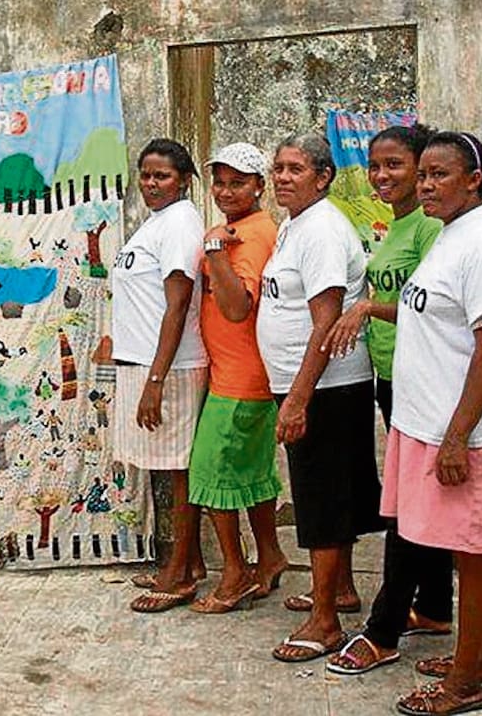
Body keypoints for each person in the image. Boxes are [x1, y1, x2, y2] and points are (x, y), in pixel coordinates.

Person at [377, 133, 482, 715]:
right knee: (465, 548)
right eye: (425, 174)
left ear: (474, 178)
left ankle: (465, 684)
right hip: (430, 423)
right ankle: (480, 655)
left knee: (477, 550)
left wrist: (459, 435)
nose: (426, 185)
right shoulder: (451, 234)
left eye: (441, 175)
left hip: (469, 433)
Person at [321, 126, 454, 675]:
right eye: (375, 166)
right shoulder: (397, 226)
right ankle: (435, 607)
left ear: (422, 169)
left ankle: (384, 628)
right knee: (417, 497)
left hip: (421, 382)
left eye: (395, 165)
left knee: (405, 505)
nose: (382, 176)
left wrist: (368, 309)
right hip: (391, 377)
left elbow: (433, 309)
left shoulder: (430, 228)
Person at [256, 134, 383, 661]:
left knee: (321, 498)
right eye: (278, 168)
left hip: (324, 387)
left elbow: (326, 322)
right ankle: (342, 589)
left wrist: (299, 399)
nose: (282, 178)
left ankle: (326, 620)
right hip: (314, 384)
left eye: (295, 169)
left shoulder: (323, 231)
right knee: (334, 493)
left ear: (324, 176)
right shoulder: (296, 225)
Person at [186, 142, 288, 614]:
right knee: (253, 474)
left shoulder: (246, 236)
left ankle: (235, 573)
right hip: (245, 374)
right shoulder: (251, 227)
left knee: (209, 475)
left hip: (240, 379)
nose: (226, 191)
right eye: (220, 181)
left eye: (238, 182)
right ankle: (269, 557)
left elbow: (236, 307)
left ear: (258, 186)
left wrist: (214, 252)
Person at [110, 138, 208, 612]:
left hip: (171, 369)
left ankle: (179, 573)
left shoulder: (181, 224)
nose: (151, 183)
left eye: (162, 175)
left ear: (184, 179)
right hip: (147, 365)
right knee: (167, 469)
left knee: (181, 470)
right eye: (145, 175)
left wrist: (155, 380)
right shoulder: (157, 223)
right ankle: (187, 563)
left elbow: (178, 305)